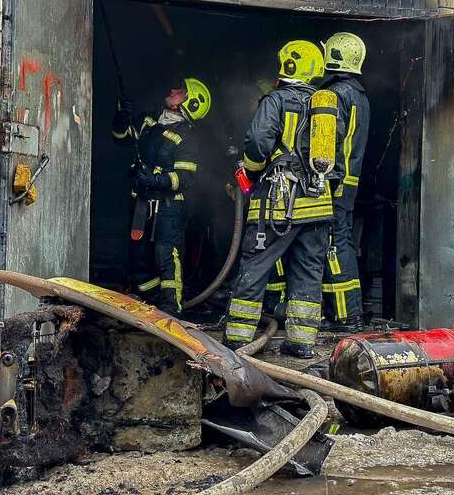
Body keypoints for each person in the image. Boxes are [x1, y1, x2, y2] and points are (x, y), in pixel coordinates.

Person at [223, 40, 337, 358]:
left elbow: (258, 143)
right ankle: (301, 342)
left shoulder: (275, 100)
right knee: (308, 271)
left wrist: (251, 171)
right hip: (318, 203)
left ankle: (238, 339)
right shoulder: (325, 107)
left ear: (288, 65)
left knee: (256, 264)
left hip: (280, 202)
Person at [112, 77, 211, 316]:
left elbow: (185, 178)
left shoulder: (187, 138)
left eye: (181, 91)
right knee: (139, 257)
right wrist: (122, 116)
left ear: (188, 103)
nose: (173, 89)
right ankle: (151, 304)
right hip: (141, 205)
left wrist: (155, 180)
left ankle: (170, 310)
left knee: (166, 256)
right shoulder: (149, 120)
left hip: (168, 208)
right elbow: (121, 137)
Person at [318, 32, 370, 332]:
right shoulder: (359, 94)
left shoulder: (335, 95)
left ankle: (346, 316)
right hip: (347, 183)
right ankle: (348, 312)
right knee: (342, 242)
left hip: (333, 182)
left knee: (334, 246)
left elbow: (328, 144)